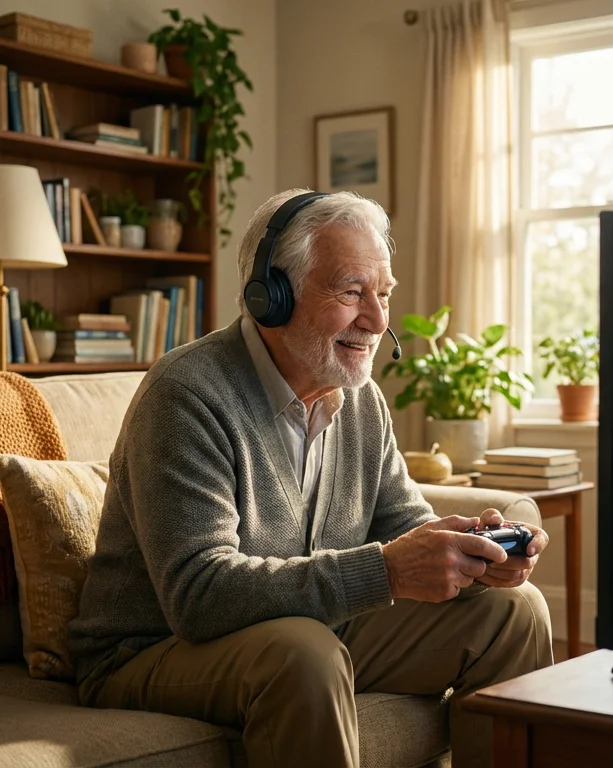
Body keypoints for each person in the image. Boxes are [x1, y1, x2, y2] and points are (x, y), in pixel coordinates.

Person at [67, 188, 554, 767]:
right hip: (153, 649)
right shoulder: (188, 394)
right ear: (270, 295)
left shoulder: (361, 401)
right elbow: (199, 597)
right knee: (304, 652)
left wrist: (468, 556)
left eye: (383, 295)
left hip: (310, 625)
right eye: (351, 292)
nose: (375, 320)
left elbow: (406, 527)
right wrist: (387, 570)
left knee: (515, 612)